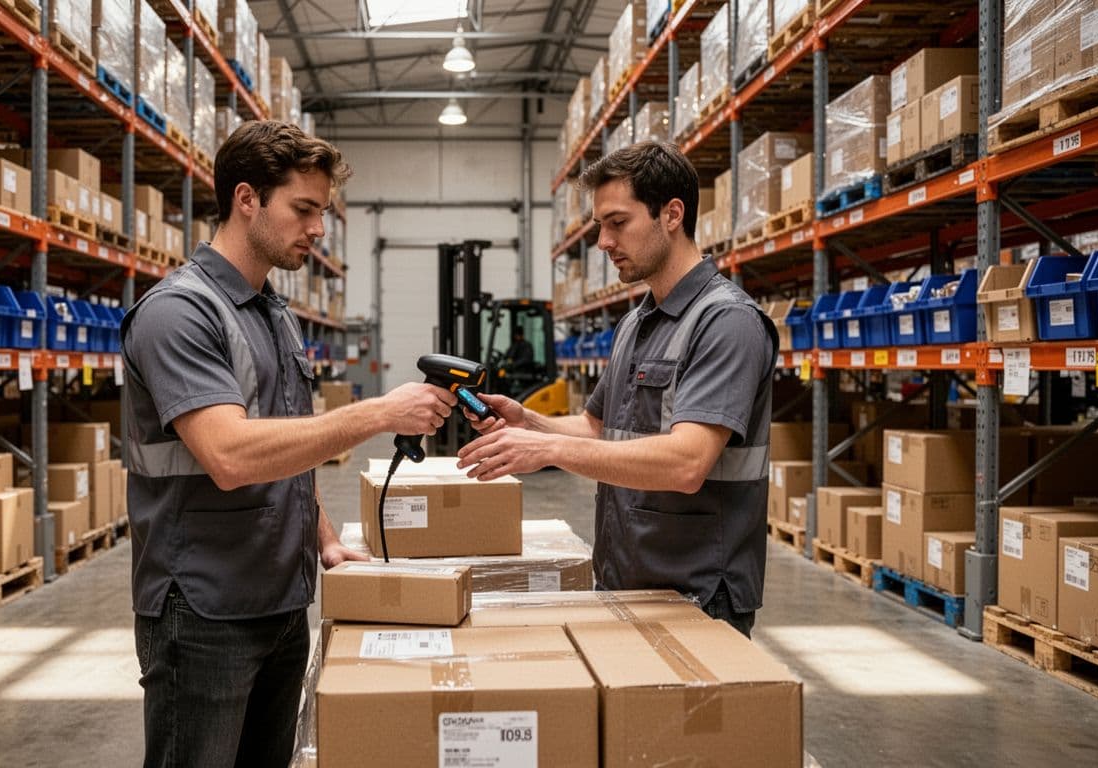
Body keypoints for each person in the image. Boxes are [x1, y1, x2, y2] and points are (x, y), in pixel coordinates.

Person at [120, 121, 458, 768]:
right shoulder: (179, 312)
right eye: (304, 209)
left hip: (280, 599)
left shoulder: (272, 314)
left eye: (322, 211)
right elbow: (230, 455)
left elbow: (289, 449)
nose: (318, 228)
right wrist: (378, 413)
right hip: (204, 608)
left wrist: (324, 539)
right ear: (247, 199)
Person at [456, 141, 778, 636]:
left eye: (618, 222)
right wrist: (530, 422)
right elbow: (597, 427)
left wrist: (546, 449)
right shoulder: (635, 323)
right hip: (626, 578)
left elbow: (687, 462)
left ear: (672, 214)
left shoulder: (726, 322)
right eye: (599, 226)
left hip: (696, 595)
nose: (603, 242)